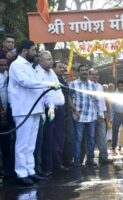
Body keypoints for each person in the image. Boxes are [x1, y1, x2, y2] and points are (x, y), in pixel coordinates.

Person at [8, 40, 60, 186]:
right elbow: (25, 82)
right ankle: (21, 173)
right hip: (23, 110)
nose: (35, 53)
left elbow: (39, 88)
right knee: (22, 144)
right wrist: (48, 84)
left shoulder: (31, 67)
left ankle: (30, 171)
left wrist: (48, 106)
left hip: (35, 109)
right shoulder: (16, 66)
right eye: (33, 50)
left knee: (31, 144)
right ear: (25, 50)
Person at [35, 51, 67, 175]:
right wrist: (50, 108)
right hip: (47, 110)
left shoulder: (51, 72)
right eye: (48, 59)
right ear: (41, 61)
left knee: (58, 138)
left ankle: (57, 164)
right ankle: (47, 167)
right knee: (47, 139)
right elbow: (44, 93)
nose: (51, 61)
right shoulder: (38, 72)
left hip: (58, 109)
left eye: (51, 59)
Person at [69, 64, 102, 167]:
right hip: (78, 116)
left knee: (91, 138)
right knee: (78, 138)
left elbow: (96, 101)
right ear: (78, 72)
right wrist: (74, 110)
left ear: (88, 72)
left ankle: (90, 159)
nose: (84, 72)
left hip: (91, 116)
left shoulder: (93, 85)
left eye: (86, 70)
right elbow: (69, 97)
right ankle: (77, 160)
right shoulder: (73, 84)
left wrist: (99, 113)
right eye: (82, 70)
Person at [53, 60, 74, 167]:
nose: (62, 69)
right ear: (53, 68)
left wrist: (74, 109)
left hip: (67, 112)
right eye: (59, 67)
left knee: (69, 138)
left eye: (63, 67)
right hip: (58, 112)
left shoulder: (64, 81)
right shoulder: (53, 80)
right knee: (59, 138)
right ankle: (58, 163)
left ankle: (67, 160)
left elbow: (68, 96)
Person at [88, 68, 112, 164]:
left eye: (96, 74)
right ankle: (89, 159)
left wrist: (105, 111)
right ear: (89, 75)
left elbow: (102, 101)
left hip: (101, 116)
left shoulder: (100, 86)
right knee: (90, 138)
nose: (95, 76)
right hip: (90, 117)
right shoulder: (86, 86)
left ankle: (103, 157)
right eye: (93, 74)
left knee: (102, 137)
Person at [110, 80, 123, 152]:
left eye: (122, 86)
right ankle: (113, 147)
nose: (120, 87)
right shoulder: (115, 94)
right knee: (114, 131)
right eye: (119, 86)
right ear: (117, 86)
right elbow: (112, 107)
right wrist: (111, 117)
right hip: (117, 115)